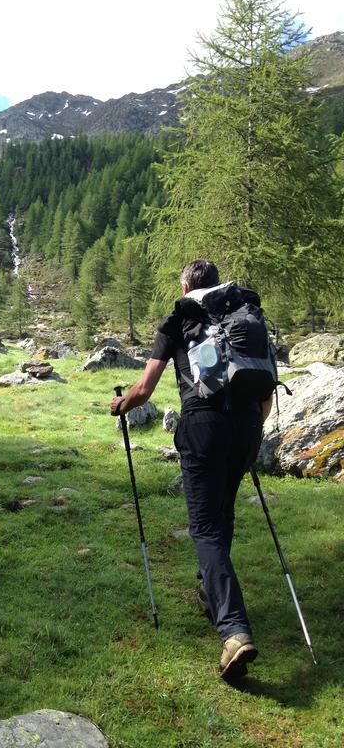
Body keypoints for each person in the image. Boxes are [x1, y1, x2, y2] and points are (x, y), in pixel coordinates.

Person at [110, 259, 273, 682]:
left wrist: (121, 404)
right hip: (248, 425)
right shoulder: (243, 314)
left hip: (202, 424)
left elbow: (144, 389)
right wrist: (252, 430)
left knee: (204, 528)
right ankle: (209, 590)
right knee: (224, 512)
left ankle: (235, 631)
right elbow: (265, 385)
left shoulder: (178, 319)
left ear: (185, 286)